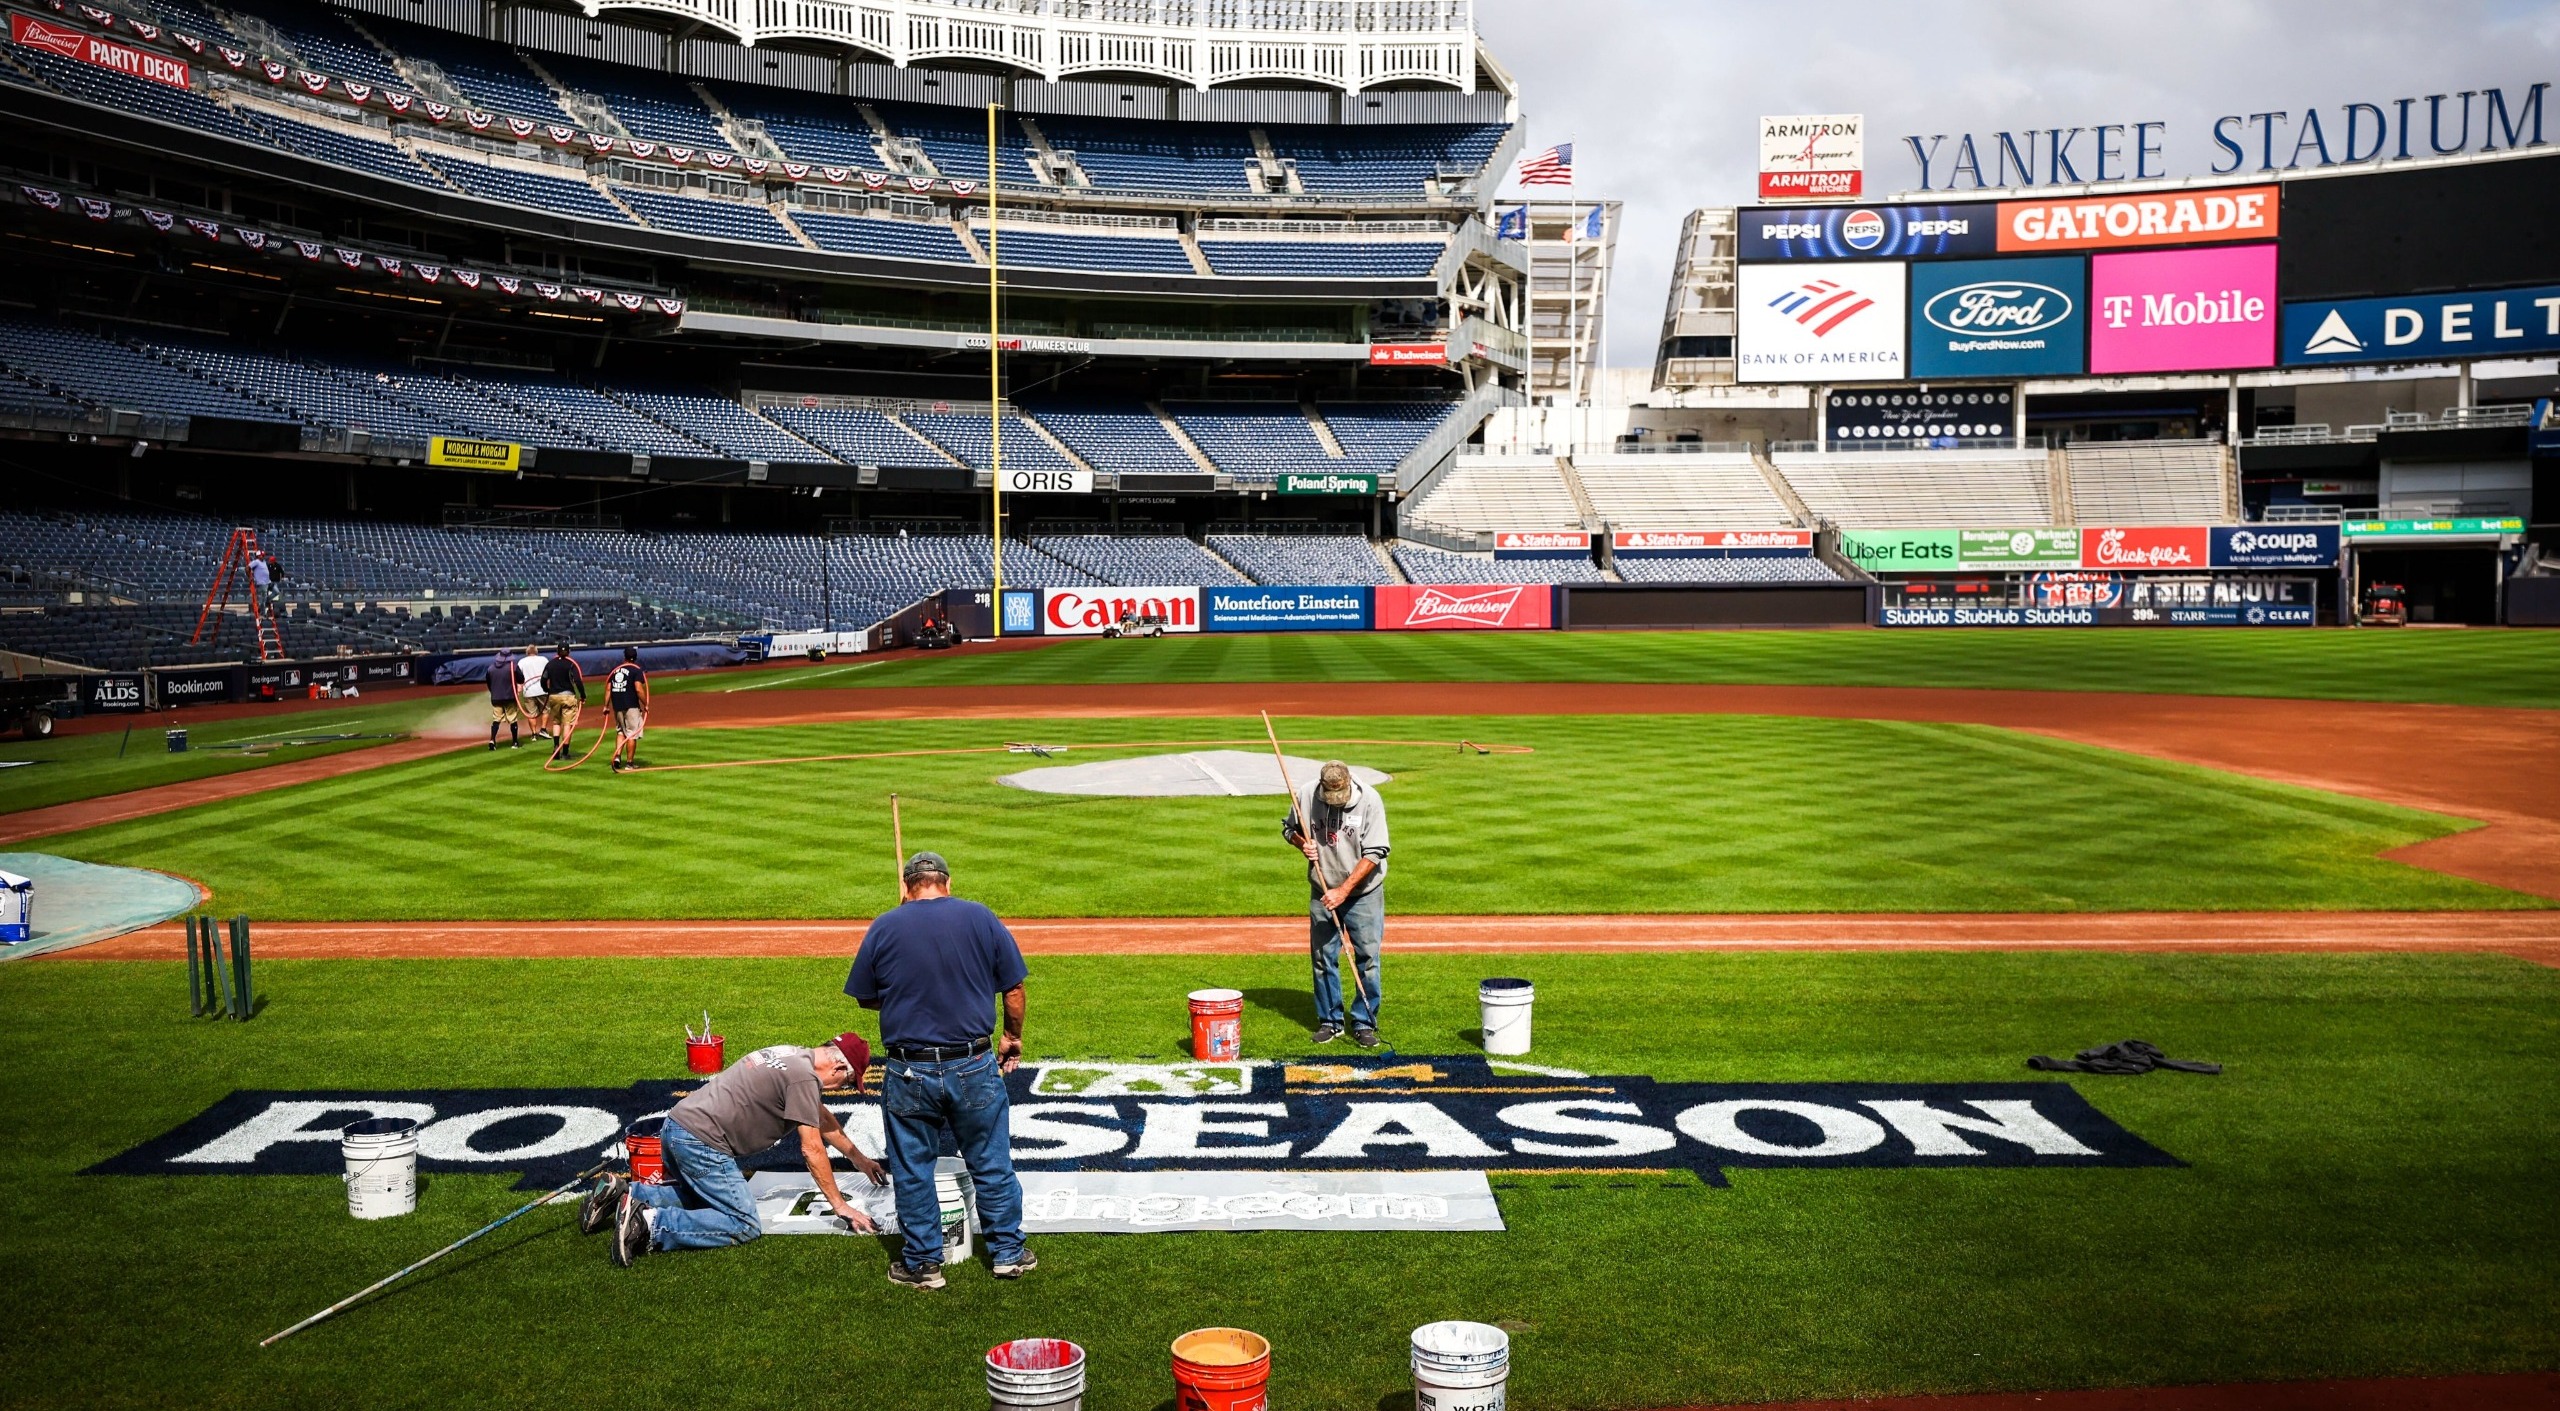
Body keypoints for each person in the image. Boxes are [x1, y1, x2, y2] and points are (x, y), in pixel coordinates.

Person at [844, 850, 1032, 1290]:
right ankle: (1007, 1253)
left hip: (910, 1072)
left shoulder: (886, 925)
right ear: (947, 881)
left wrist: (904, 992)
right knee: (990, 1161)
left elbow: (865, 996)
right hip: (973, 1063)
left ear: (908, 885)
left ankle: (923, 1265)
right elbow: (1014, 987)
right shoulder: (980, 917)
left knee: (912, 1170)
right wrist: (1012, 1036)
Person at [594, 1032, 888, 1266]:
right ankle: (648, 1223)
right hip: (702, 1143)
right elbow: (812, 1150)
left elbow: (820, 1117)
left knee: (702, 1196)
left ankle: (627, 1194)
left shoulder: (793, 1054)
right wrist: (841, 1206)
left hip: (676, 1127)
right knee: (742, 1222)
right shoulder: (803, 1078)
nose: (840, 1088)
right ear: (838, 1067)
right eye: (848, 1082)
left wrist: (859, 1160)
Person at [1282, 760, 1390, 1049]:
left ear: (1348, 783)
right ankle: (1330, 1021)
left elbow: (1376, 852)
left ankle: (1364, 1022)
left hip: (1363, 893)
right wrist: (1300, 842)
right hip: (1322, 888)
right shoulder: (1305, 794)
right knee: (1322, 958)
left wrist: (1343, 891)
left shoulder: (1369, 800)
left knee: (1367, 959)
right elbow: (1287, 828)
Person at [607, 646, 650, 773]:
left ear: (624, 657)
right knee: (632, 733)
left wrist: (605, 706)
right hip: (631, 705)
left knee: (621, 731)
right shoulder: (636, 671)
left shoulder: (615, 670)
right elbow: (638, 688)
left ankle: (618, 757)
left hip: (617, 705)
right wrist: (646, 703)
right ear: (635, 658)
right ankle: (629, 763)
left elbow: (609, 689)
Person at [540, 644, 586, 761]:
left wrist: (547, 690)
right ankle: (565, 752)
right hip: (568, 696)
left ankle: (556, 746)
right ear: (569, 652)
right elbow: (578, 681)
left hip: (554, 696)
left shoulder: (550, 664)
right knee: (567, 724)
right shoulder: (571, 664)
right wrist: (582, 695)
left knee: (556, 722)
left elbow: (543, 679)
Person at [486, 647, 523, 751]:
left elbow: (489, 683)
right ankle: (515, 742)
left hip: (496, 698)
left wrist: (494, 692)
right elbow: (521, 679)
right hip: (510, 697)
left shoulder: (491, 668)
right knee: (512, 719)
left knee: (496, 719)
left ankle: (492, 740)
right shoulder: (513, 667)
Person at [515, 644, 553, 744]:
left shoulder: (521, 662)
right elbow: (549, 673)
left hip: (529, 691)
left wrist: (519, 688)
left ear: (527, 652)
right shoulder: (544, 659)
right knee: (545, 710)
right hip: (542, 689)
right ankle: (543, 729)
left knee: (531, 714)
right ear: (536, 652)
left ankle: (534, 734)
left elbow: (518, 677)